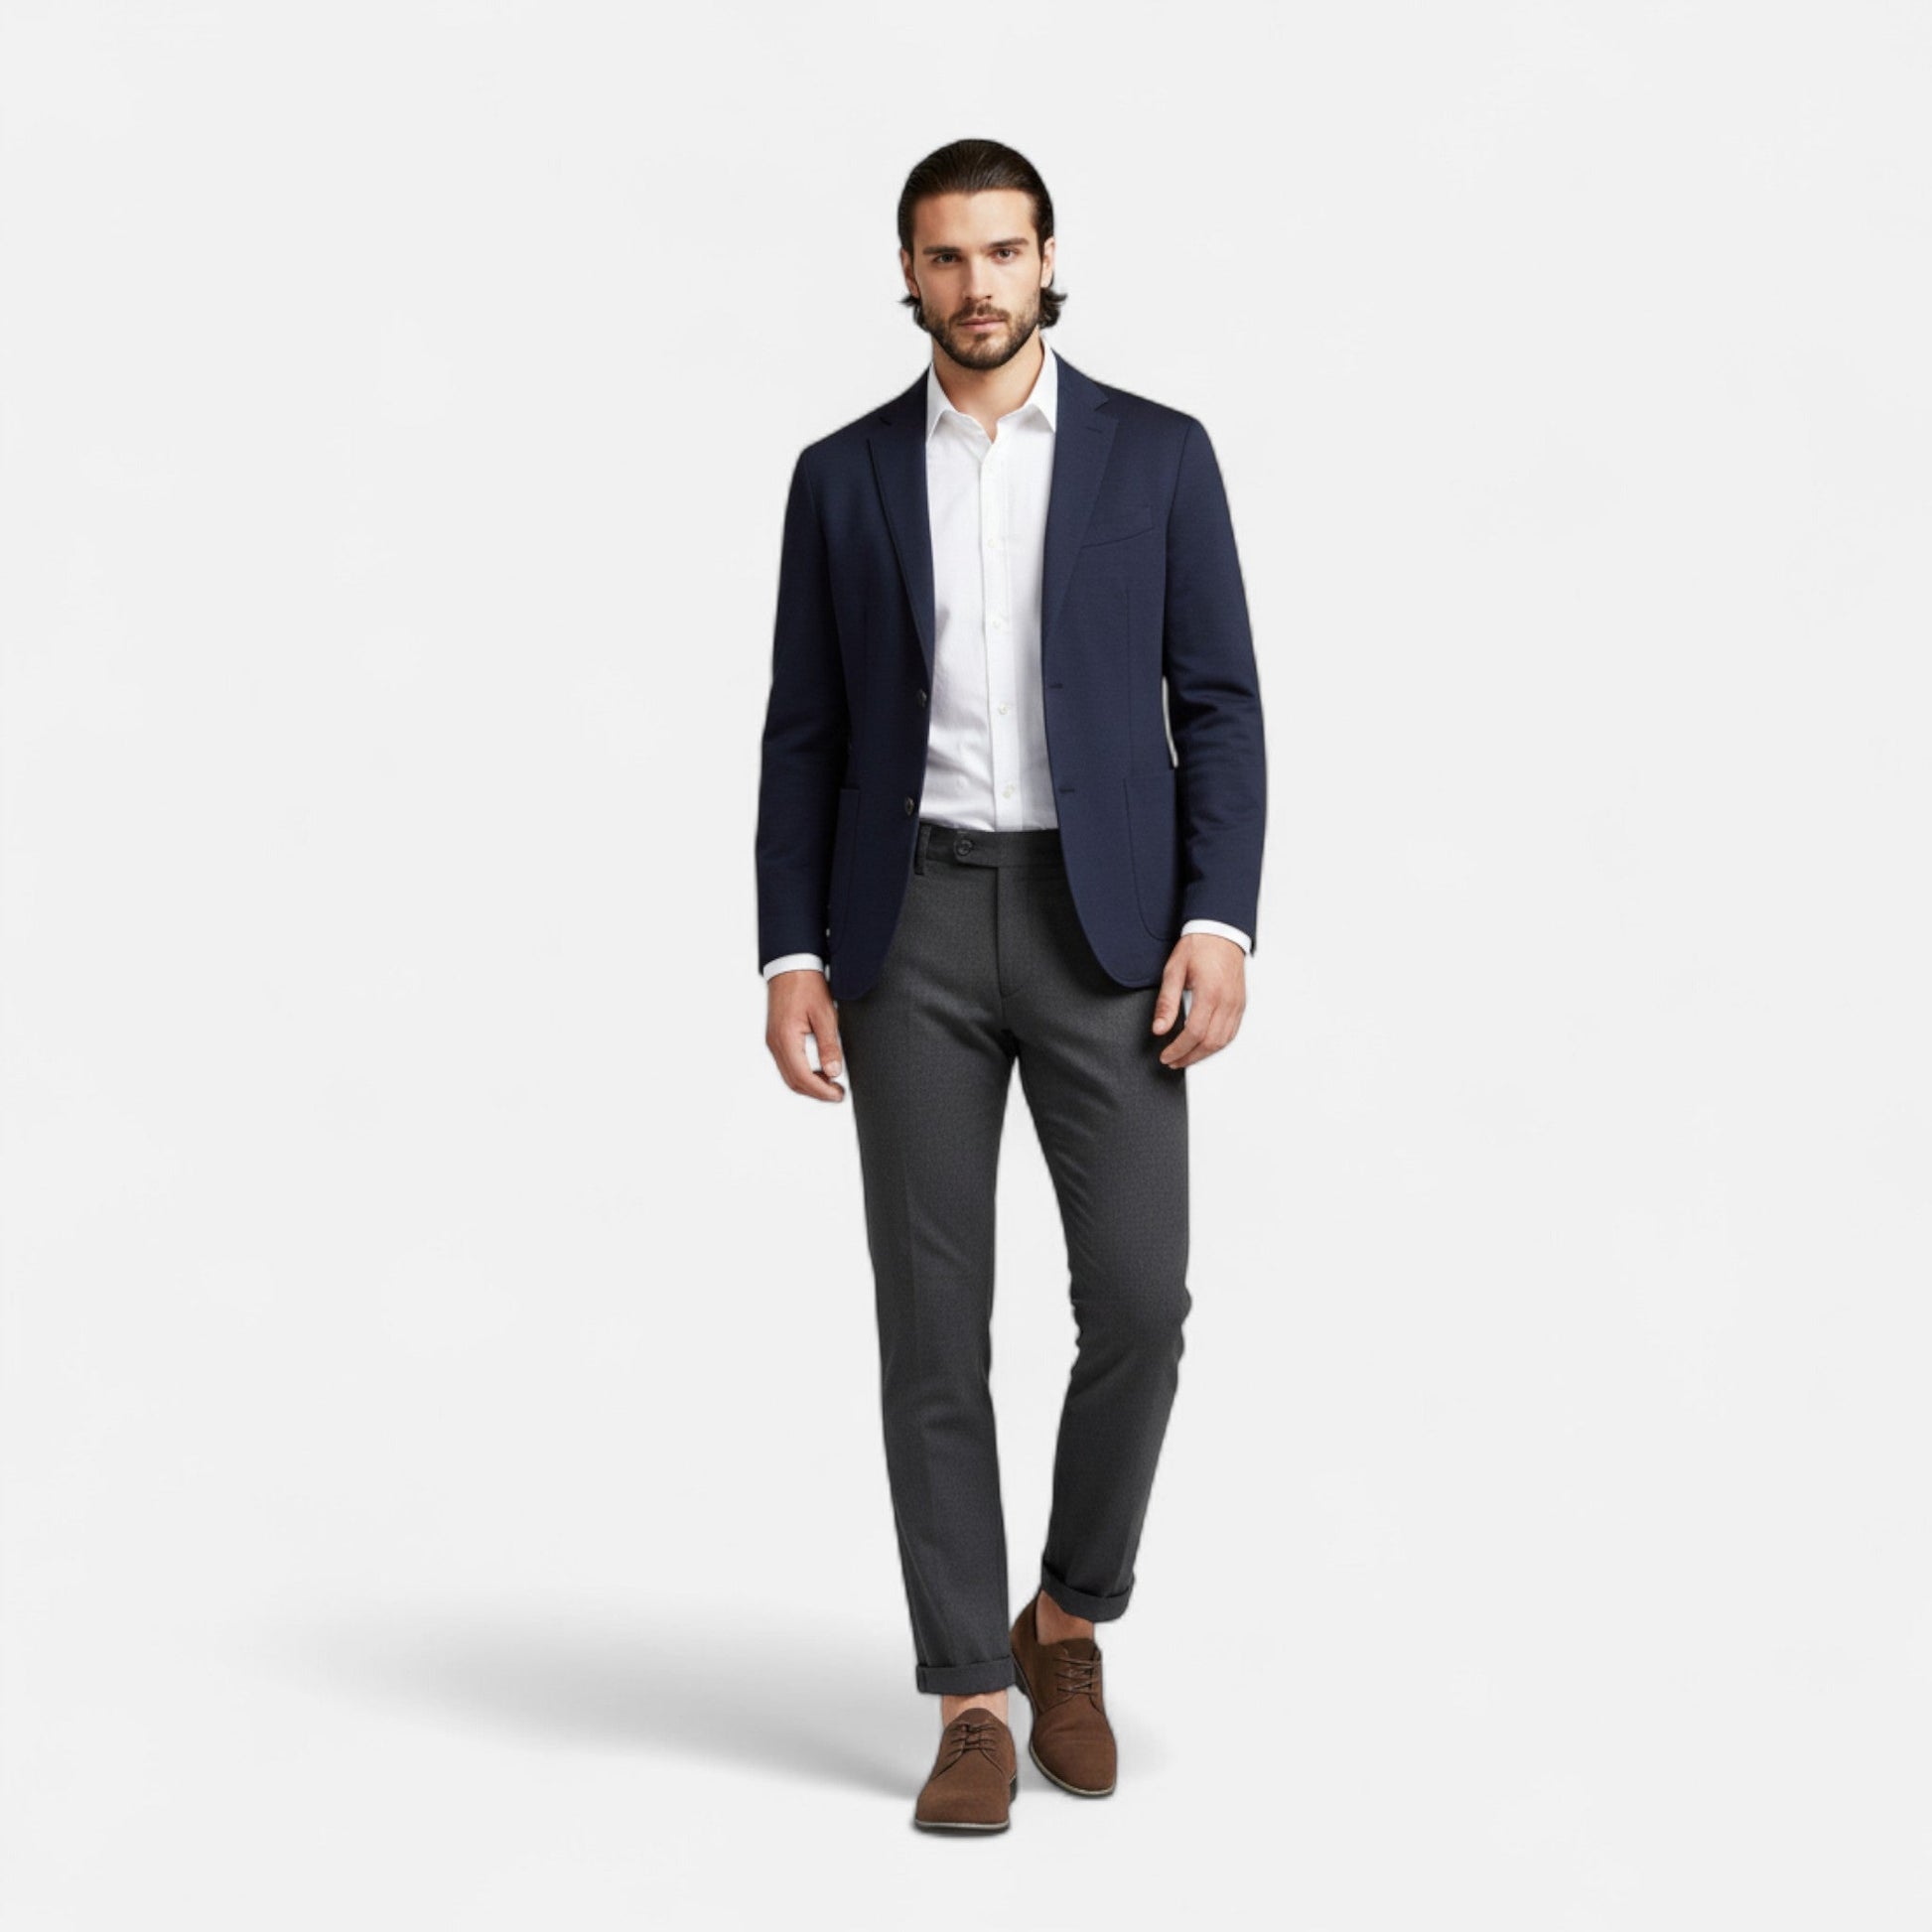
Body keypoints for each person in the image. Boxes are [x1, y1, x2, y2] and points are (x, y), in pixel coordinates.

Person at [755, 136, 1266, 1833]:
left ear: (1048, 258)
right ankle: (970, 1692)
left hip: (1102, 927)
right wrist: (791, 950)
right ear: (907, 275)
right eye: (944, 256)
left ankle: (1067, 1617)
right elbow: (805, 730)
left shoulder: (1157, 456)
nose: (975, 285)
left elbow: (1219, 703)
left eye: (1001, 250)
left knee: (1138, 1302)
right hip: (903, 923)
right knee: (931, 1327)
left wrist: (1218, 918)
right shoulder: (840, 477)